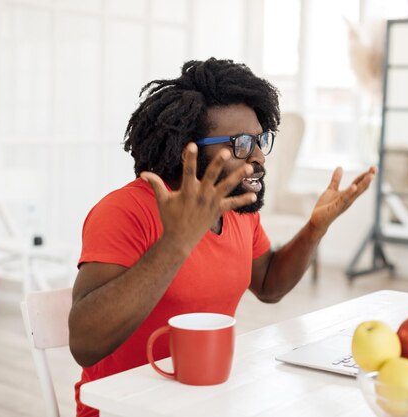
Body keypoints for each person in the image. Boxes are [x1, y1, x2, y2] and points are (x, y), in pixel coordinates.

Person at [68, 57, 376, 417]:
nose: (259, 156)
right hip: (123, 409)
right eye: (241, 144)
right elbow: (84, 344)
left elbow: (269, 284)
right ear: (188, 149)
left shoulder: (236, 209)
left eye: (261, 139)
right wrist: (177, 243)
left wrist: (314, 228)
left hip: (205, 400)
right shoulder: (126, 211)